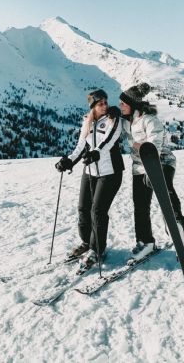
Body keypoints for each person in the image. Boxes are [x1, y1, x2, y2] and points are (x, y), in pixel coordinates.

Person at [55, 89, 124, 270]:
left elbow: (108, 141)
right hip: (91, 171)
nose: (105, 106)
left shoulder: (113, 119)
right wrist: (69, 161)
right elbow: (81, 146)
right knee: (83, 209)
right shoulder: (88, 122)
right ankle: (87, 242)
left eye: (106, 102)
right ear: (93, 106)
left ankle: (97, 250)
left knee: (98, 211)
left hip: (110, 173)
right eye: (100, 103)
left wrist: (95, 153)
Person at [119, 82, 184, 262]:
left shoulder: (149, 120)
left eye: (123, 104)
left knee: (165, 189)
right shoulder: (125, 121)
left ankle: (176, 223)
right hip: (138, 168)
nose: (120, 106)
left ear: (132, 105)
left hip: (160, 162)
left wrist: (137, 145)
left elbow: (154, 146)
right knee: (140, 206)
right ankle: (145, 242)